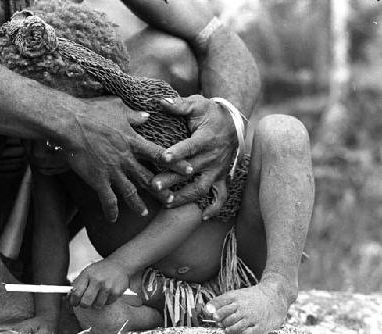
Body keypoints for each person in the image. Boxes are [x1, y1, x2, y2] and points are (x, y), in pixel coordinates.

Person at [0, 0, 233, 330]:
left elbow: (216, 38)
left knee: (166, 53)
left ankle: (134, 279)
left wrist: (227, 122)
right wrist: (71, 120)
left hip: (25, 238)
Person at [19, 1, 314, 334]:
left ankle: (276, 287)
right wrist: (46, 314)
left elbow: (197, 201)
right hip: (151, 288)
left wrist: (117, 264)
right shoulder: (50, 152)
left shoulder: (142, 121)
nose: (45, 145)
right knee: (92, 310)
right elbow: (49, 230)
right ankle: (172, 317)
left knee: (284, 133)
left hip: (236, 257)